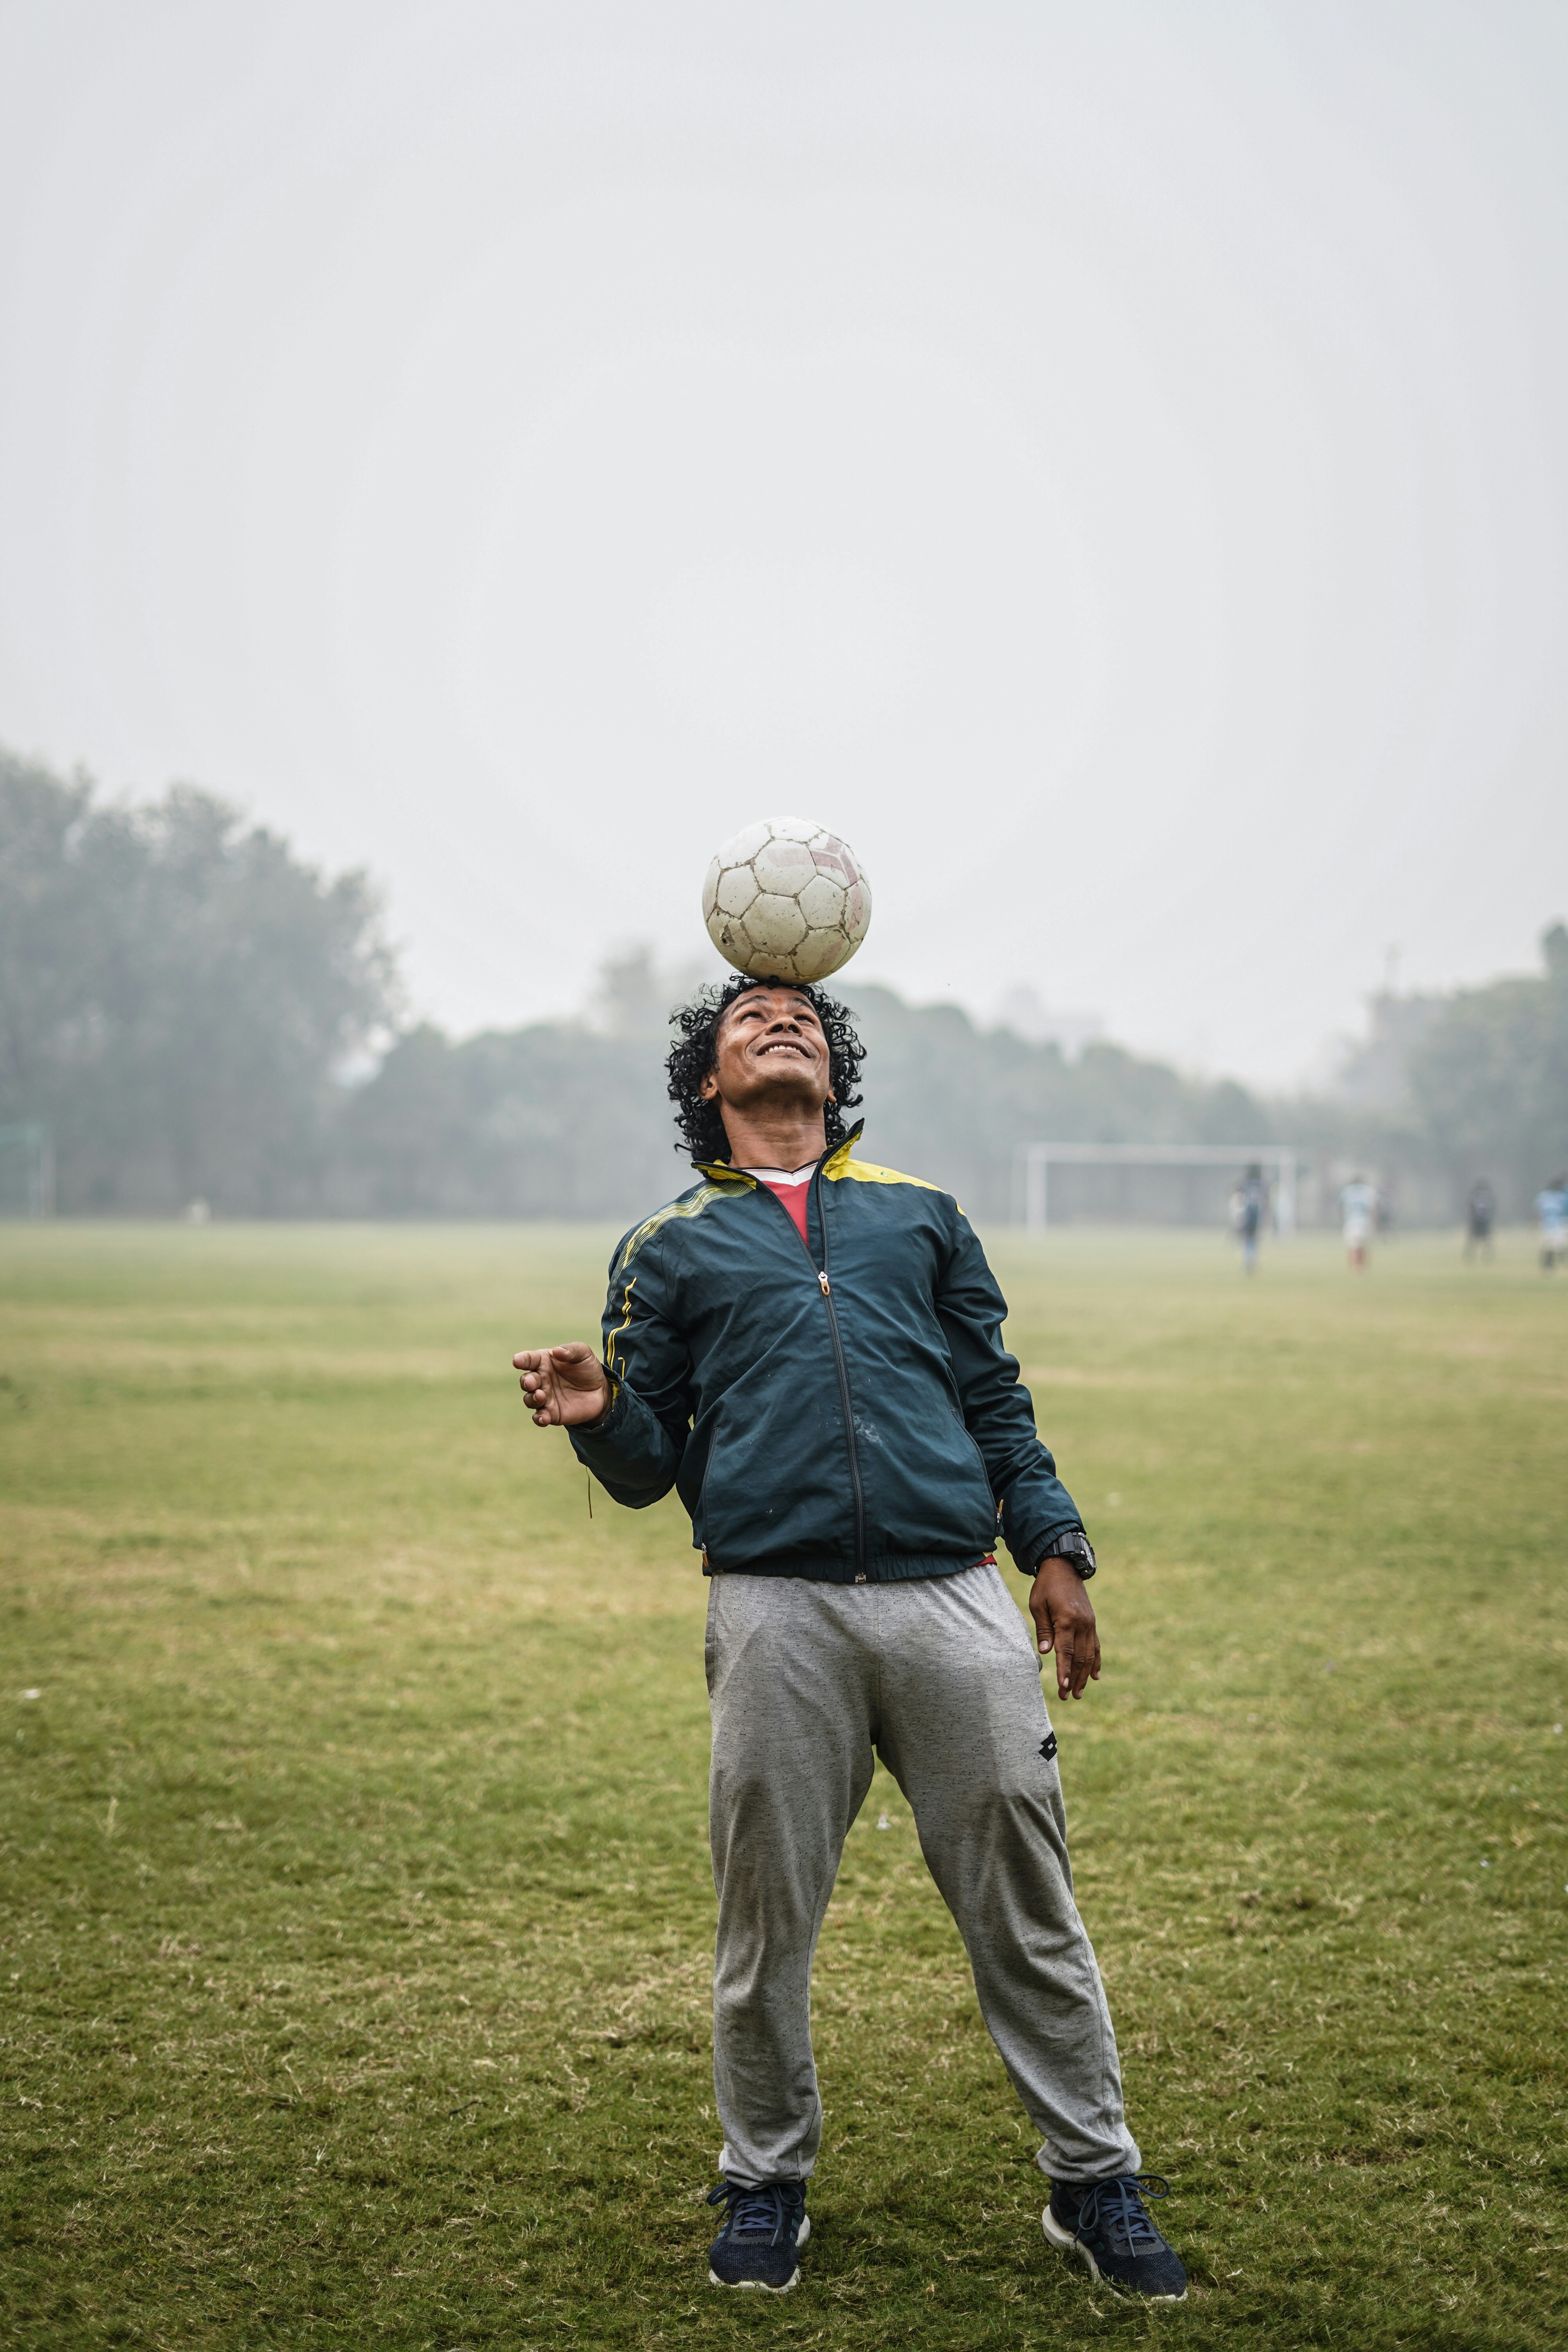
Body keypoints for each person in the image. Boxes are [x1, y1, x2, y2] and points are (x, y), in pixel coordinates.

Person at [512, 975, 1188, 2305]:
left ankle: (1094, 2178)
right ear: (707, 1080)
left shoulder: (922, 1216)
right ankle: (764, 2180)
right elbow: (651, 1469)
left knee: (1027, 1899)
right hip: (775, 1606)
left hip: (954, 1595)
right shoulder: (671, 1248)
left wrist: (1054, 1551)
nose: (783, 1023)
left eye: (806, 1017)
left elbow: (996, 1399)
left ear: (837, 1071)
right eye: (751, 1016)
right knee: (764, 1917)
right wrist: (598, 1413)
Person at [1231, 1163, 1267, 1275]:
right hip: (1257, 1216)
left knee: (1247, 1238)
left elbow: (1240, 1198)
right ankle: (1252, 1259)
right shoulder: (1261, 1185)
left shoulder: (1246, 1184)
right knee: (1254, 1239)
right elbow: (1264, 1201)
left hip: (1247, 1215)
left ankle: (1248, 1260)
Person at [1339, 1172, 1378, 1272]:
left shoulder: (1347, 1191)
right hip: (1364, 1222)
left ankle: (1355, 1267)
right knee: (1362, 1246)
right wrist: (1374, 1222)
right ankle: (1361, 1267)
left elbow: (1341, 1208)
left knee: (1354, 1247)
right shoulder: (1369, 1191)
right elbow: (1373, 1209)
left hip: (1351, 1222)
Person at [1537, 1175, 1568, 1272]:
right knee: (1549, 1246)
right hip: (1548, 1225)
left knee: (1557, 1245)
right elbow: (1538, 1211)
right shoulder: (1546, 1196)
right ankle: (1549, 1265)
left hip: (1558, 1225)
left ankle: (1553, 1264)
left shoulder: (1562, 1197)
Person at [1463, 1180, 1496, 1261]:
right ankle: (1488, 1258)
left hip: (1476, 1222)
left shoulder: (1474, 1195)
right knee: (1487, 1241)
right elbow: (1493, 1209)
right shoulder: (1489, 1196)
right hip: (1486, 1221)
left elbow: (1469, 1209)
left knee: (1472, 1241)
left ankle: (1470, 1258)